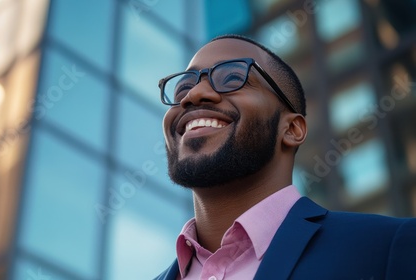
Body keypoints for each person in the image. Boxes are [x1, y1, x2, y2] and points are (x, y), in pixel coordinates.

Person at [154, 34, 416, 280]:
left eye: (232, 78)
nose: (193, 95)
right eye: (182, 89)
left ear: (291, 129)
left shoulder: (386, 248)